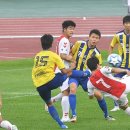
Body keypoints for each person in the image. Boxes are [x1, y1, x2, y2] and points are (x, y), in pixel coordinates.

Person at [32, 34, 90, 129]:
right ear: (51, 44)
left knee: (49, 104)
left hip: (39, 85)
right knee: (67, 74)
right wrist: (71, 67)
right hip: (51, 81)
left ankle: (61, 124)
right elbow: (64, 71)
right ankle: (86, 74)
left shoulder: (37, 56)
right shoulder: (54, 55)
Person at [68, 29, 114, 122]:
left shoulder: (97, 53)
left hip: (86, 77)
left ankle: (107, 115)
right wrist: (72, 61)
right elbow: (71, 53)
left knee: (98, 94)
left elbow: (98, 67)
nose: (94, 39)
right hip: (74, 74)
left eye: (97, 38)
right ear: (89, 37)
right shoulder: (79, 43)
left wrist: (91, 73)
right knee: (72, 89)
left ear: (99, 40)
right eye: (93, 37)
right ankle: (73, 115)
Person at [45, 20, 76, 122]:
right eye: (70, 28)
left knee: (67, 91)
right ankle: (65, 116)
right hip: (61, 69)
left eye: (73, 28)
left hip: (61, 68)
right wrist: (73, 60)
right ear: (64, 29)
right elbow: (62, 55)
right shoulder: (65, 41)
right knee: (66, 92)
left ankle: (52, 100)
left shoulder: (62, 39)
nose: (72, 30)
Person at [109, 15, 130, 111]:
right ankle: (117, 105)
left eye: (129, 23)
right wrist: (110, 56)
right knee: (115, 84)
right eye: (126, 23)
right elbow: (111, 45)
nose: (128, 25)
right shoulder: (118, 35)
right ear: (123, 24)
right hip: (121, 66)